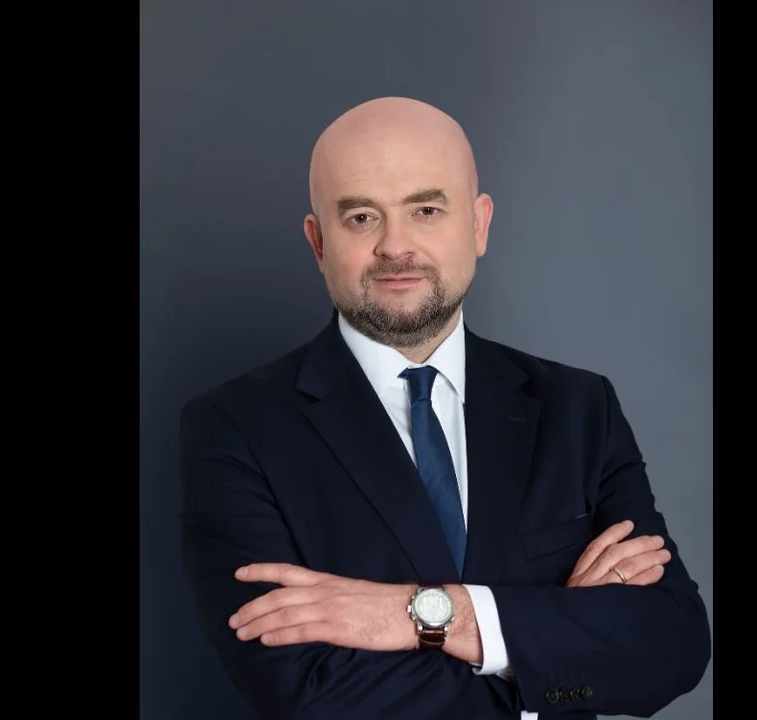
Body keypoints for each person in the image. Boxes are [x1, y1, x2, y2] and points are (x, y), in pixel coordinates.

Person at [180, 96, 711, 720]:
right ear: (318, 242)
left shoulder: (579, 408)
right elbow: (306, 693)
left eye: (426, 210)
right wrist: (550, 637)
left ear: (479, 226)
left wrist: (423, 614)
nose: (395, 246)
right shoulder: (236, 428)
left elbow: (673, 645)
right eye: (361, 217)